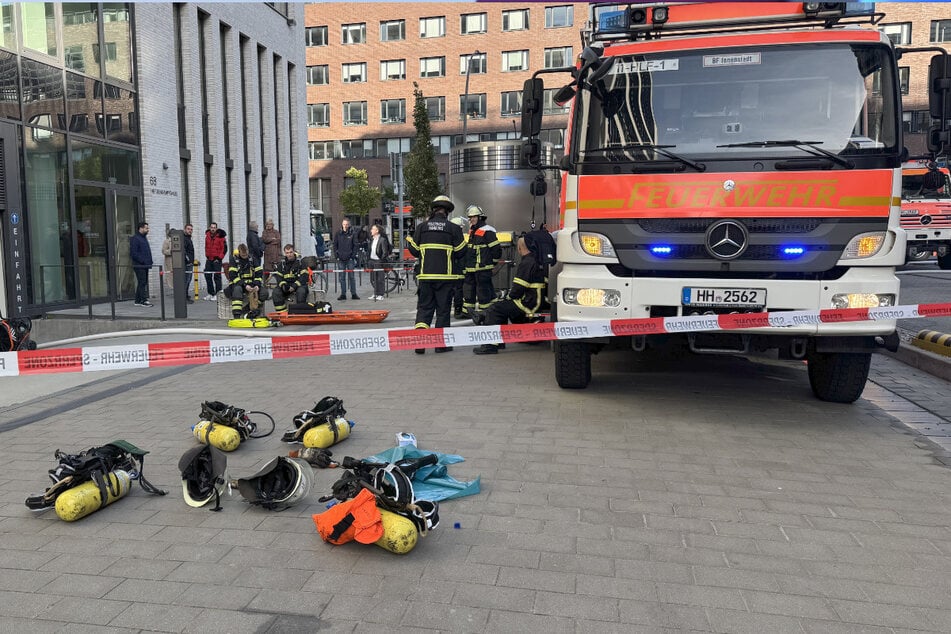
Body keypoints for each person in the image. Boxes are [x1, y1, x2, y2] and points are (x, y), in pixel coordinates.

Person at [406, 195, 466, 354]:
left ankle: (420, 344)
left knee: (424, 310)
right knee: (443, 311)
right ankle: (441, 345)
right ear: (447, 212)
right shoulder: (454, 228)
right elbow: (461, 252)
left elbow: (413, 251)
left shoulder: (422, 227)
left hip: (425, 277)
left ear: (434, 210)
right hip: (446, 279)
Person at [473, 235, 548, 355]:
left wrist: (507, 297)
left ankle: (490, 345)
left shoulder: (527, 262)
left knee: (495, 309)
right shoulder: (535, 260)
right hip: (534, 299)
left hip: (528, 302)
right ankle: (498, 340)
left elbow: (518, 288)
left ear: (519, 248)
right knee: (501, 307)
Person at [462, 204, 502, 318]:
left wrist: (492, 263)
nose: (472, 219)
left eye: (474, 217)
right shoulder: (473, 231)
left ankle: (486, 312)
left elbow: (496, 249)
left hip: (483, 268)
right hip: (471, 268)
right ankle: (468, 312)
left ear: (480, 217)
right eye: (470, 217)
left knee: (483, 291)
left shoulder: (487, 231)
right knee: (469, 290)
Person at [226, 244, 268, 318]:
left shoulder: (252, 259)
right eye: (243, 255)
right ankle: (237, 315)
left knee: (264, 293)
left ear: (248, 251)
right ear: (239, 253)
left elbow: (259, 273)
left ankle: (248, 309)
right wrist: (245, 285)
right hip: (239, 284)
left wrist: (257, 285)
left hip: (252, 284)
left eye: (246, 255)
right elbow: (233, 276)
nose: (245, 256)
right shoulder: (234, 260)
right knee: (237, 290)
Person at [271, 244, 309, 312]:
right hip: (287, 285)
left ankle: (300, 313)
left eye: (291, 252)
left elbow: (304, 277)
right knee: (276, 292)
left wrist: (294, 286)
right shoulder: (282, 264)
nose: (289, 254)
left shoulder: (301, 262)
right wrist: (283, 285)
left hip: (299, 285)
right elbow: (279, 277)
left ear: (294, 252)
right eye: (287, 253)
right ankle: (282, 313)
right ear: (284, 253)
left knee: (301, 291)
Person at [333, 218, 359, 300]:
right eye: (344, 224)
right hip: (341, 258)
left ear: (349, 225)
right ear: (342, 224)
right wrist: (336, 255)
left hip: (350, 258)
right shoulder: (338, 233)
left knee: (351, 277)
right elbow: (335, 245)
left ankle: (353, 293)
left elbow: (355, 245)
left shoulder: (353, 233)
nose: (345, 226)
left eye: (347, 224)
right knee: (342, 277)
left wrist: (353, 256)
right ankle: (343, 294)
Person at [129, 221, 153, 307]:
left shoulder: (143, 238)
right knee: (142, 282)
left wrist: (149, 261)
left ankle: (137, 300)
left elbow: (146, 251)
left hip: (145, 264)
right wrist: (143, 261)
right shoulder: (135, 238)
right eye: (146, 228)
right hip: (139, 265)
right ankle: (144, 300)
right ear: (141, 228)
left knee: (142, 282)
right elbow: (133, 253)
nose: (148, 230)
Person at [203, 222, 227, 300]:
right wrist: (207, 255)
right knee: (207, 275)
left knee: (217, 277)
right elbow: (206, 247)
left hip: (217, 260)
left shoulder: (221, 237)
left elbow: (224, 249)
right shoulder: (207, 236)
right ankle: (210, 293)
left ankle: (218, 294)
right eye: (211, 227)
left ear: (216, 228)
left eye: (214, 227)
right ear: (210, 228)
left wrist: (219, 258)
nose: (213, 229)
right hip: (209, 259)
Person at [368, 223, 392, 301]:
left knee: (380, 279)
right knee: (373, 279)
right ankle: (375, 293)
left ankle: (380, 294)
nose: (371, 230)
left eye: (372, 229)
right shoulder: (372, 239)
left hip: (378, 261)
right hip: (372, 260)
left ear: (377, 231)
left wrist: (381, 260)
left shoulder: (382, 240)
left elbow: (385, 252)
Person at [450, 217, 467, 317]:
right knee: (458, 290)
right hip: (459, 269)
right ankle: (458, 309)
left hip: (449, 269)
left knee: (450, 290)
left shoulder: (447, 237)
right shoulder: (459, 237)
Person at [183, 223, 196, 303]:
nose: (190, 231)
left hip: (190, 263)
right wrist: (188, 260)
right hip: (187, 264)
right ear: (185, 229)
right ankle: (184, 298)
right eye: (188, 229)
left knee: (188, 280)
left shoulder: (188, 238)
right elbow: (184, 251)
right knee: (186, 280)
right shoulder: (184, 239)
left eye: (191, 229)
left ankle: (186, 295)